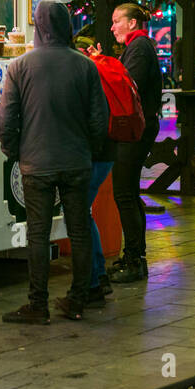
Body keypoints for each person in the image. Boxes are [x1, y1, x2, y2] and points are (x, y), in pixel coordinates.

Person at [0, 1, 108, 324]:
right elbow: (100, 119)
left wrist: (14, 151)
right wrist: (88, 149)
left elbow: (6, 119)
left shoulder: (19, 66)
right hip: (77, 161)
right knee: (79, 230)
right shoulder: (86, 66)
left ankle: (38, 304)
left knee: (37, 234)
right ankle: (77, 299)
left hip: (36, 163)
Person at [101, 2, 162, 284]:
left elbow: (128, 84)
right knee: (129, 192)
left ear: (132, 23)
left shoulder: (139, 47)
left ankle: (135, 259)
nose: (113, 26)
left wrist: (102, 66)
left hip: (136, 129)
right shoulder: (138, 47)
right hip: (140, 128)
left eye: (116, 21)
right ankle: (135, 256)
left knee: (124, 193)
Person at [80, 43, 122, 308]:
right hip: (107, 152)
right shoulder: (105, 70)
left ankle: (96, 278)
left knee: (81, 214)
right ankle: (97, 276)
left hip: (92, 155)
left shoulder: (87, 75)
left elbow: (91, 120)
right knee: (83, 213)